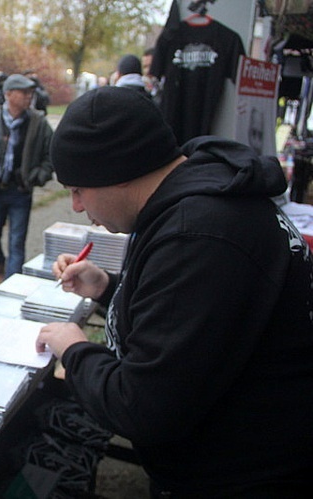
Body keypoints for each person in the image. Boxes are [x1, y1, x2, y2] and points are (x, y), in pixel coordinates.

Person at [36, 86, 313, 496]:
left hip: (240, 476)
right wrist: (108, 288)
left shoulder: (198, 234)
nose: (76, 206)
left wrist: (75, 349)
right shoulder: (193, 209)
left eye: (78, 189)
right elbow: (194, 325)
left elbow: (142, 407)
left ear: (118, 170)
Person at [0, 73, 53, 281]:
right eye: (24, 92)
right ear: (8, 94)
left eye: (30, 92)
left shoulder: (38, 122)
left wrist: (38, 176)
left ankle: (12, 283)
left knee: (17, 242)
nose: (28, 97)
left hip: (21, 191)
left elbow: (51, 154)